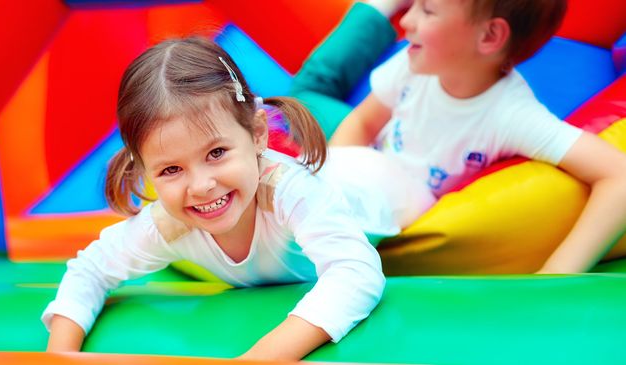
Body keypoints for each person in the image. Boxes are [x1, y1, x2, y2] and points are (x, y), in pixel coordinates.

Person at [42, 37, 389, 360]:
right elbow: (90, 271)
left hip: (376, 179)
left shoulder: (289, 192)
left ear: (257, 134)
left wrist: (257, 359)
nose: (201, 186)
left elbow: (355, 272)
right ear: (145, 171)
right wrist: (61, 358)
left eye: (217, 152)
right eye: (171, 170)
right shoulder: (169, 222)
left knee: (334, 102)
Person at [291, 0, 626, 274]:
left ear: (490, 36)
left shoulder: (510, 115)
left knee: (303, 94)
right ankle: (378, 8)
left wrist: (557, 274)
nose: (406, 22)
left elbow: (619, 175)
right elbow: (363, 122)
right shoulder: (414, 62)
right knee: (302, 97)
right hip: (374, 159)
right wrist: (327, 177)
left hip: (399, 199)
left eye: (427, 9)